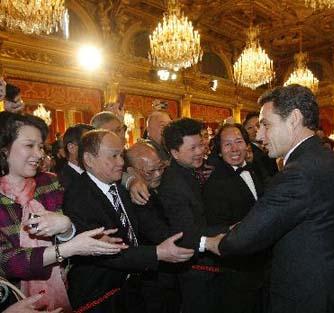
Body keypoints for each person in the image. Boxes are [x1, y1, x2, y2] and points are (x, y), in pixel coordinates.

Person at [206, 85, 334, 313]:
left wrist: (210, 242)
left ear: (294, 118)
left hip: (307, 295)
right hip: (332, 285)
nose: (258, 135)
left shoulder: (299, 171)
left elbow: (244, 239)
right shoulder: (329, 158)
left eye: (266, 125)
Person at [0, 112, 127, 312]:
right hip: (13, 300)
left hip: (67, 293)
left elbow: (71, 228)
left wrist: (68, 229)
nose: (40, 154)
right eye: (29, 145)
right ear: (4, 149)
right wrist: (70, 248)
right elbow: (7, 260)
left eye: (41, 147)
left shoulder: (49, 183)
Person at [63, 129, 194, 312]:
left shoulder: (121, 186)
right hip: (100, 296)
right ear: (89, 159)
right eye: (114, 156)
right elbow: (105, 251)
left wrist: (200, 241)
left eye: (121, 155)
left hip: (132, 290)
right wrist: (157, 253)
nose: (122, 162)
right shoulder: (78, 197)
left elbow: (151, 227)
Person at [158, 118, 229, 313]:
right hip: (195, 269)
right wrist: (229, 229)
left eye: (201, 145)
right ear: (174, 152)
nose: (200, 151)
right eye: (192, 148)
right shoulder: (173, 185)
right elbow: (186, 234)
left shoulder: (187, 172)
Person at [203, 123, 268, 313]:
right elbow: (218, 227)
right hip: (236, 267)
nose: (234, 149)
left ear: (247, 145)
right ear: (220, 151)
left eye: (239, 142)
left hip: (261, 263)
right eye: (227, 144)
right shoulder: (214, 183)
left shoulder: (255, 169)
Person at [125, 142, 180, 313]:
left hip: (169, 275)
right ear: (131, 172)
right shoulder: (137, 198)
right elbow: (160, 233)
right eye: (150, 171)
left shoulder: (161, 186)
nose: (158, 174)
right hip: (152, 280)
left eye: (160, 168)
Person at [243, 112, 277, 184]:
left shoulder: (273, 144)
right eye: (250, 128)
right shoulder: (248, 152)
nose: (255, 130)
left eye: (258, 125)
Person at [58, 123, 94, 189]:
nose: (95, 150)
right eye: (89, 144)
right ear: (71, 148)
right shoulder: (64, 181)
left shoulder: (98, 173)